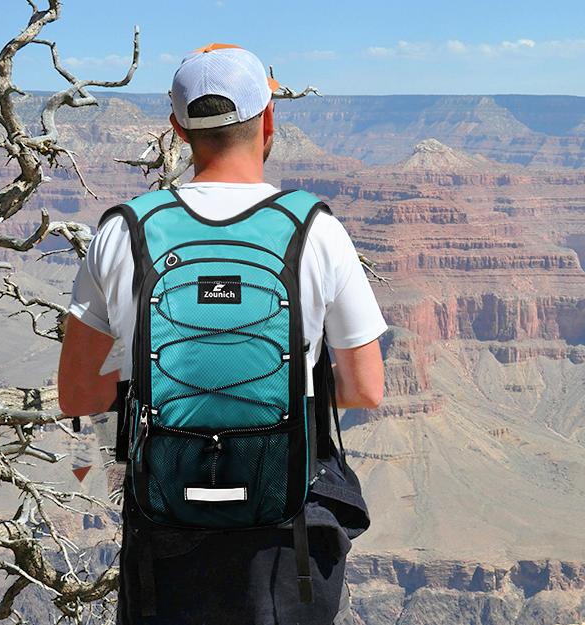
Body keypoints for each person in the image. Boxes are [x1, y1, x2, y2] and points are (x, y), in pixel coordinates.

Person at [56, 44, 386, 624]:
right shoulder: (316, 229)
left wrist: (159, 387)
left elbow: (78, 395)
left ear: (177, 130)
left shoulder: (124, 231)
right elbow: (365, 388)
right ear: (268, 119)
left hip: (165, 531)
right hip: (283, 538)